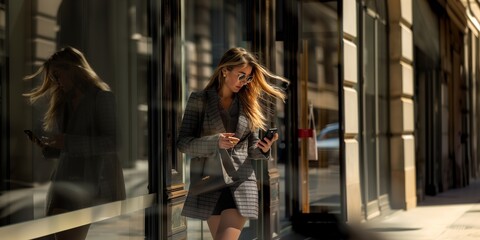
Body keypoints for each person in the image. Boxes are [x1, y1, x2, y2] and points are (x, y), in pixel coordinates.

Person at [177, 47, 289, 240]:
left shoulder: (248, 104)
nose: (244, 82)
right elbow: (183, 143)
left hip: (241, 183)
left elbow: (252, 150)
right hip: (210, 183)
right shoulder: (199, 100)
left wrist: (264, 148)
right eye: (241, 75)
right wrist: (216, 142)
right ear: (225, 70)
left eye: (248, 78)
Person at [23, 46, 126, 240]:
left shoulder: (101, 97)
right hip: (63, 182)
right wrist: (49, 148)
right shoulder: (63, 102)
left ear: (73, 70)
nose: (55, 81)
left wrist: (68, 142)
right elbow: (66, 148)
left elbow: (113, 143)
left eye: (57, 75)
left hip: (89, 182)